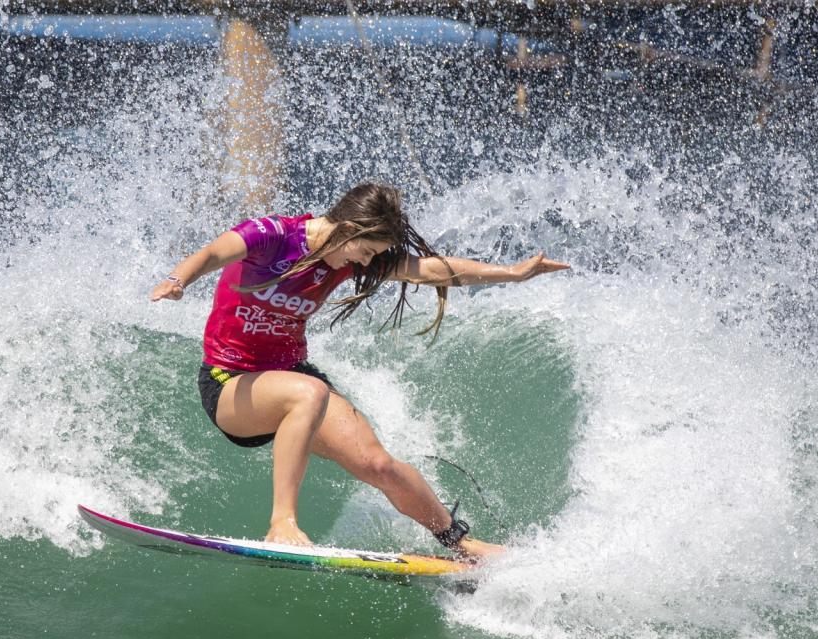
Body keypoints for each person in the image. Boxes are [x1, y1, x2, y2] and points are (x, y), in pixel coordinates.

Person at [150, 183, 569, 559]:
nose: (366, 262)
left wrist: (512, 274)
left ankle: (459, 543)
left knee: (379, 465)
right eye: (365, 250)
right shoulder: (272, 236)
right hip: (231, 384)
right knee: (308, 392)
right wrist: (177, 280)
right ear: (348, 228)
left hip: (292, 377)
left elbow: (431, 270)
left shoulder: (349, 261)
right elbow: (212, 253)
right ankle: (283, 523)